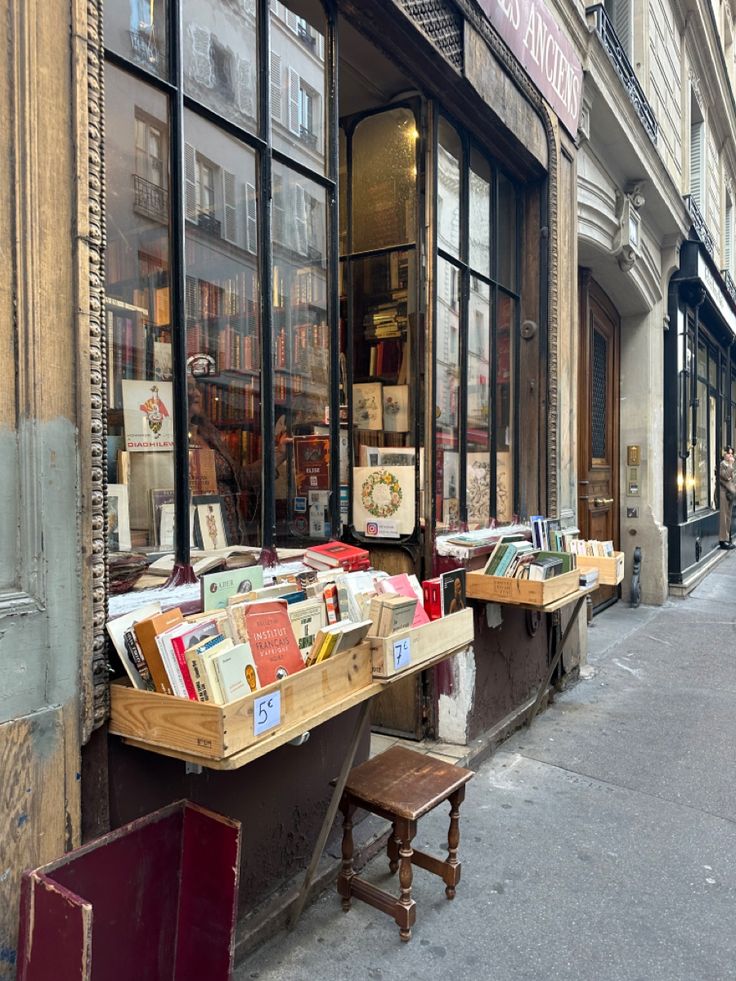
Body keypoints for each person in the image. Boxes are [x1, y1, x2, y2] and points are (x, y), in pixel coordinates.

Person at [188, 380, 289, 544]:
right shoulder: (170, 437)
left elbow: (240, 477)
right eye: (191, 388)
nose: (198, 393)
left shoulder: (209, 433)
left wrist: (279, 454)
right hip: (196, 535)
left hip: (230, 531)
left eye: (197, 388)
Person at [718, 445, 736, 550]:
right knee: (723, 517)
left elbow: (731, 478)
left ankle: (727, 538)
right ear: (724, 454)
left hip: (730, 493)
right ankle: (723, 540)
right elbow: (725, 476)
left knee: (728, 516)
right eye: (729, 453)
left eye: (731, 453)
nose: (730, 455)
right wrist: (730, 465)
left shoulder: (730, 465)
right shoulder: (722, 464)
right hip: (723, 492)